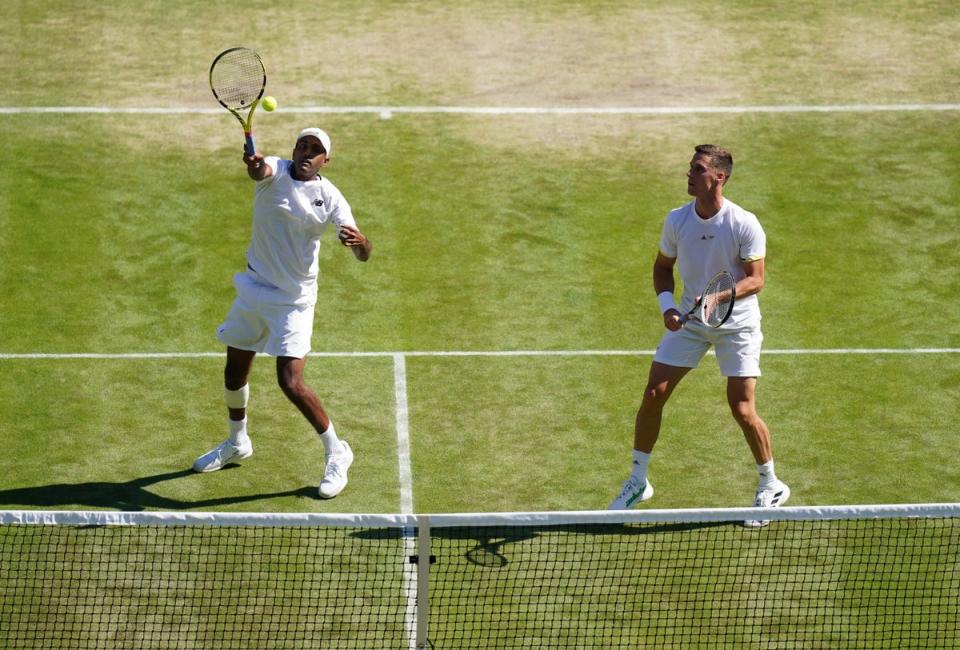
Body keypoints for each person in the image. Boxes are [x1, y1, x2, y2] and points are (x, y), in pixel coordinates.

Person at [608, 144, 789, 527]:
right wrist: (667, 307)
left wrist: (719, 296)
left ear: (718, 177)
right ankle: (638, 480)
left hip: (736, 324)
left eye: (697, 169)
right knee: (653, 393)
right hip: (691, 322)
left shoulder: (743, 223)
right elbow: (662, 269)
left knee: (741, 408)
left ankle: (770, 483)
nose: (688, 174)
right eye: (690, 168)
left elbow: (756, 280)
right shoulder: (677, 220)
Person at [193, 127, 372, 499]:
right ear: (293, 150)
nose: (307, 152)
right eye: (302, 145)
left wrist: (360, 243)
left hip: (294, 300)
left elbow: (363, 252)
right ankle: (237, 442)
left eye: (316, 149)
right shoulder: (274, 169)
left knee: (290, 382)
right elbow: (260, 170)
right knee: (233, 373)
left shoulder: (331, 196)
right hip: (254, 290)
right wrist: (254, 165)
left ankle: (337, 451)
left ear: (326, 160)